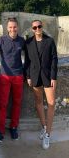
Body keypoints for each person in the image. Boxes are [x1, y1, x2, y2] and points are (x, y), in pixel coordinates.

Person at [24, 20, 58, 150]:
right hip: (34, 76)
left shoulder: (50, 41)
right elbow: (27, 61)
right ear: (32, 29)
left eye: (39, 26)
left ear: (42, 27)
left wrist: (54, 77)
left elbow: (54, 59)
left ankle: (48, 134)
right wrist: (27, 76)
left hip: (48, 76)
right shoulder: (28, 43)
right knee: (38, 102)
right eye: (35, 27)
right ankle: (44, 127)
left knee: (51, 103)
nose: (37, 29)